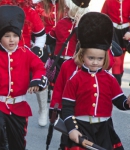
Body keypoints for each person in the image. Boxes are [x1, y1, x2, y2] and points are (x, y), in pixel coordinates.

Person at [0, 5, 47, 150]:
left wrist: (37, 80)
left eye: (15, 36)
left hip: (19, 106)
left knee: (17, 143)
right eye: (7, 36)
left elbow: (40, 68)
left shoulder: (26, 53)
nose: (12, 40)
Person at [61, 12, 130, 149]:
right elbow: (67, 109)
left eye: (100, 59)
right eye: (91, 58)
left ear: (105, 58)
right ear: (82, 56)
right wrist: (71, 129)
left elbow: (120, 102)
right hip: (81, 128)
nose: (95, 62)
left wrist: (128, 102)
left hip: (104, 130)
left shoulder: (110, 79)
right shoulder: (74, 79)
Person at [45, 0, 90, 101]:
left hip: (74, 62)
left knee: (70, 88)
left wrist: (78, 25)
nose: (65, 9)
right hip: (58, 60)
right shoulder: (62, 22)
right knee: (57, 88)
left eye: (67, 8)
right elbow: (49, 39)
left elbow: (83, 40)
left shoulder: (85, 25)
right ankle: (55, 111)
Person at [33, 0, 65, 102]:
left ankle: (57, 90)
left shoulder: (66, 4)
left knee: (59, 66)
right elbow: (36, 26)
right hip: (46, 39)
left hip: (61, 39)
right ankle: (45, 87)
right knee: (45, 64)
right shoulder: (40, 5)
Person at [101, 0, 130, 86]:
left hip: (126, 31)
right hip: (113, 31)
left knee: (120, 61)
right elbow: (103, 16)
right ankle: (116, 86)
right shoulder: (109, 1)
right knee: (116, 60)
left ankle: (117, 85)